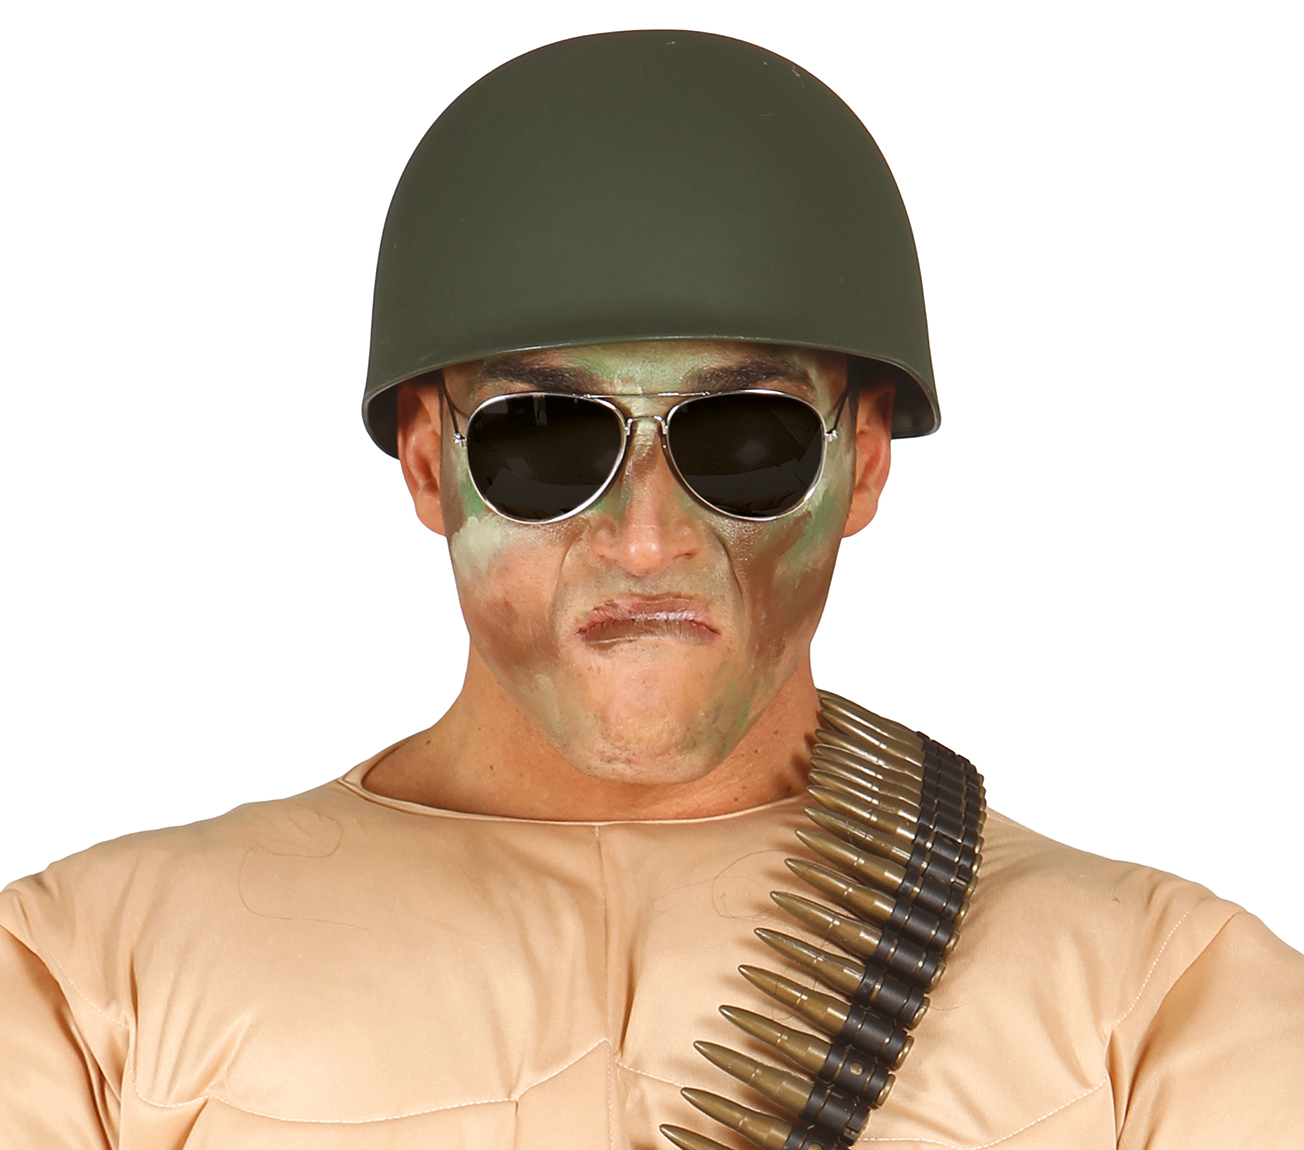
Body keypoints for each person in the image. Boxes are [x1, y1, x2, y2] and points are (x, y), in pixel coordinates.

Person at [2, 30, 1300, 1150]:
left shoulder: (1160, 1005)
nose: (643, 536)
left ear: (863, 462)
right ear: (426, 461)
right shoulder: (85, 986)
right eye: (543, 438)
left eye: (745, 438)